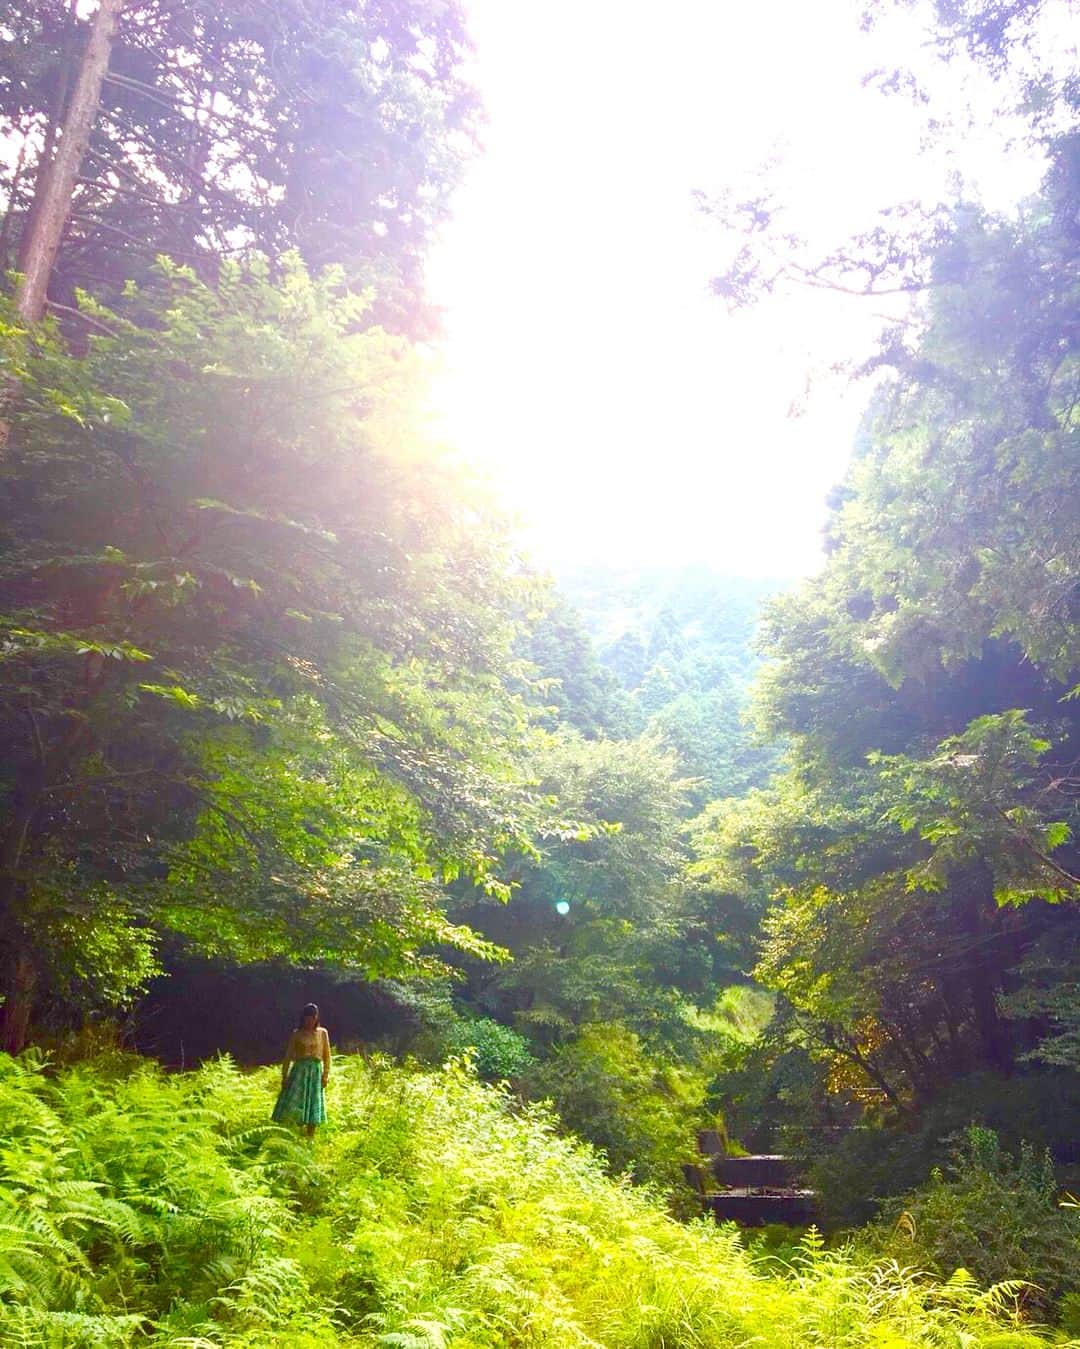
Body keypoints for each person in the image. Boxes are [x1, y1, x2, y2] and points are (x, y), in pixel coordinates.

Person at [272, 1003, 330, 1138]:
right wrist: (284, 1076)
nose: (309, 1021)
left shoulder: (323, 1033)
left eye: (312, 1018)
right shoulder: (296, 1034)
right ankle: (296, 1133)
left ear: (316, 1018)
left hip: (315, 1071)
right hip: (299, 1071)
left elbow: (327, 1056)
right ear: (303, 1018)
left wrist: (325, 1075)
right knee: (296, 1102)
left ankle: (311, 1136)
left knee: (314, 1102)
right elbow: (288, 1056)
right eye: (307, 1018)